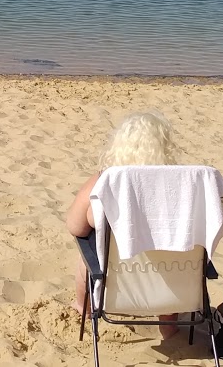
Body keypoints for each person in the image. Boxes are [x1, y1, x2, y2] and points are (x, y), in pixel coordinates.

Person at [66, 110, 182, 334]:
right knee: (172, 256)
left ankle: (83, 308)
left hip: (117, 276)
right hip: (168, 280)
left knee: (86, 255)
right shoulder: (179, 187)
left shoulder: (105, 181)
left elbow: (75, 226)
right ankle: (168, 326)